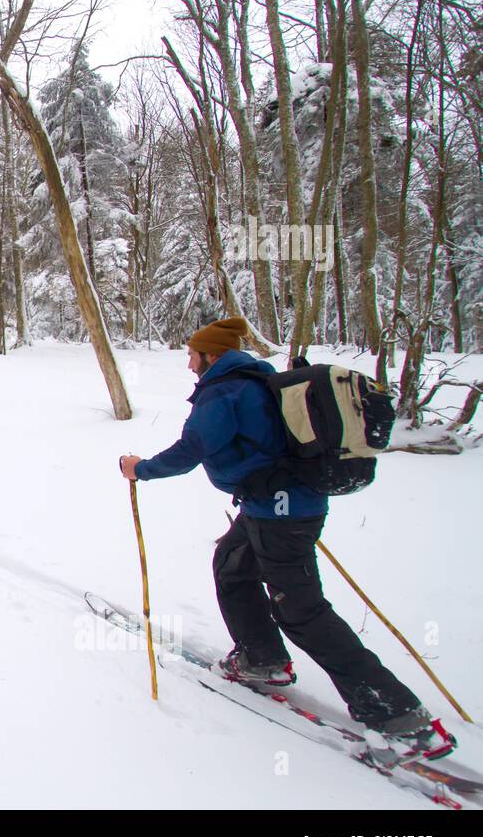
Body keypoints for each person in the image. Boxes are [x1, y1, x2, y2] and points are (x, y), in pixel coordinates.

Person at [118, 316, 455, 760]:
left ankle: (399, 718)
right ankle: (263, 660)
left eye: (192, 354)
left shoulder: (225, 391)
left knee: (301, 612)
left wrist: (139, 468)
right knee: (233, 566)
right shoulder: (256, 378)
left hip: (281, 513)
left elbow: (192, 450)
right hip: (273, 505)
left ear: (211, 355)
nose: (188, 363)